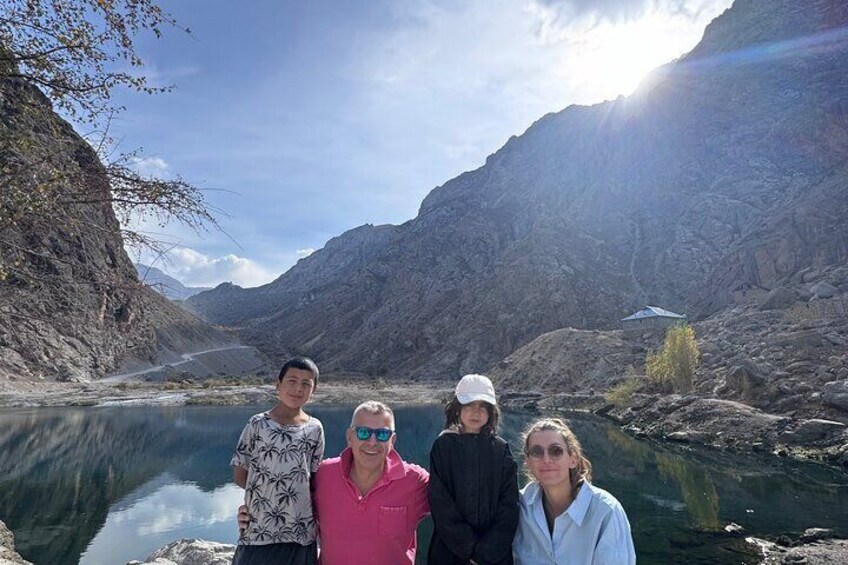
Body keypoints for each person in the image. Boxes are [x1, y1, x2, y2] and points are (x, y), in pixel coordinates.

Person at [238, 400, 430, 565]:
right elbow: (290, 499)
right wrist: (253, 513)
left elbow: (448, 499)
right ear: (350, 437)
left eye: (382, 434)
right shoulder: (324, 475)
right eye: (363, 433)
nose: (372, 442)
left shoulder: (414, 481)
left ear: (392, 440)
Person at [230, 357, 325, 565]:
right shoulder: (257, 424)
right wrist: (263, 497)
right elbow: (240, 474)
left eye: (306, 383)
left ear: (314, 390)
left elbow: (314, 478)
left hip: (301, 532)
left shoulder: (315, 429)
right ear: (278, 384)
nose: (298, 388)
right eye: (292, 381)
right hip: (259, 530)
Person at [512, 418, 636, 565]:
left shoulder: (605, 511)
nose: (546, 459)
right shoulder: (518, 505)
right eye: (536, 452)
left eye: (556, 451)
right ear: (527, 461)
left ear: (573, 459)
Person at [427, 374, 519, 565]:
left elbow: (509, 504)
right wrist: (469, 549)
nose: (476, 412)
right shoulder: (443, 446)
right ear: (457, 408)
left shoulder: (500, 449)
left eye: (483, 406)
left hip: (494, 556)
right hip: (449, 553)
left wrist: (488, 551)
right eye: (469, 405)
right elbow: (440, 502)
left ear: (491, 412)